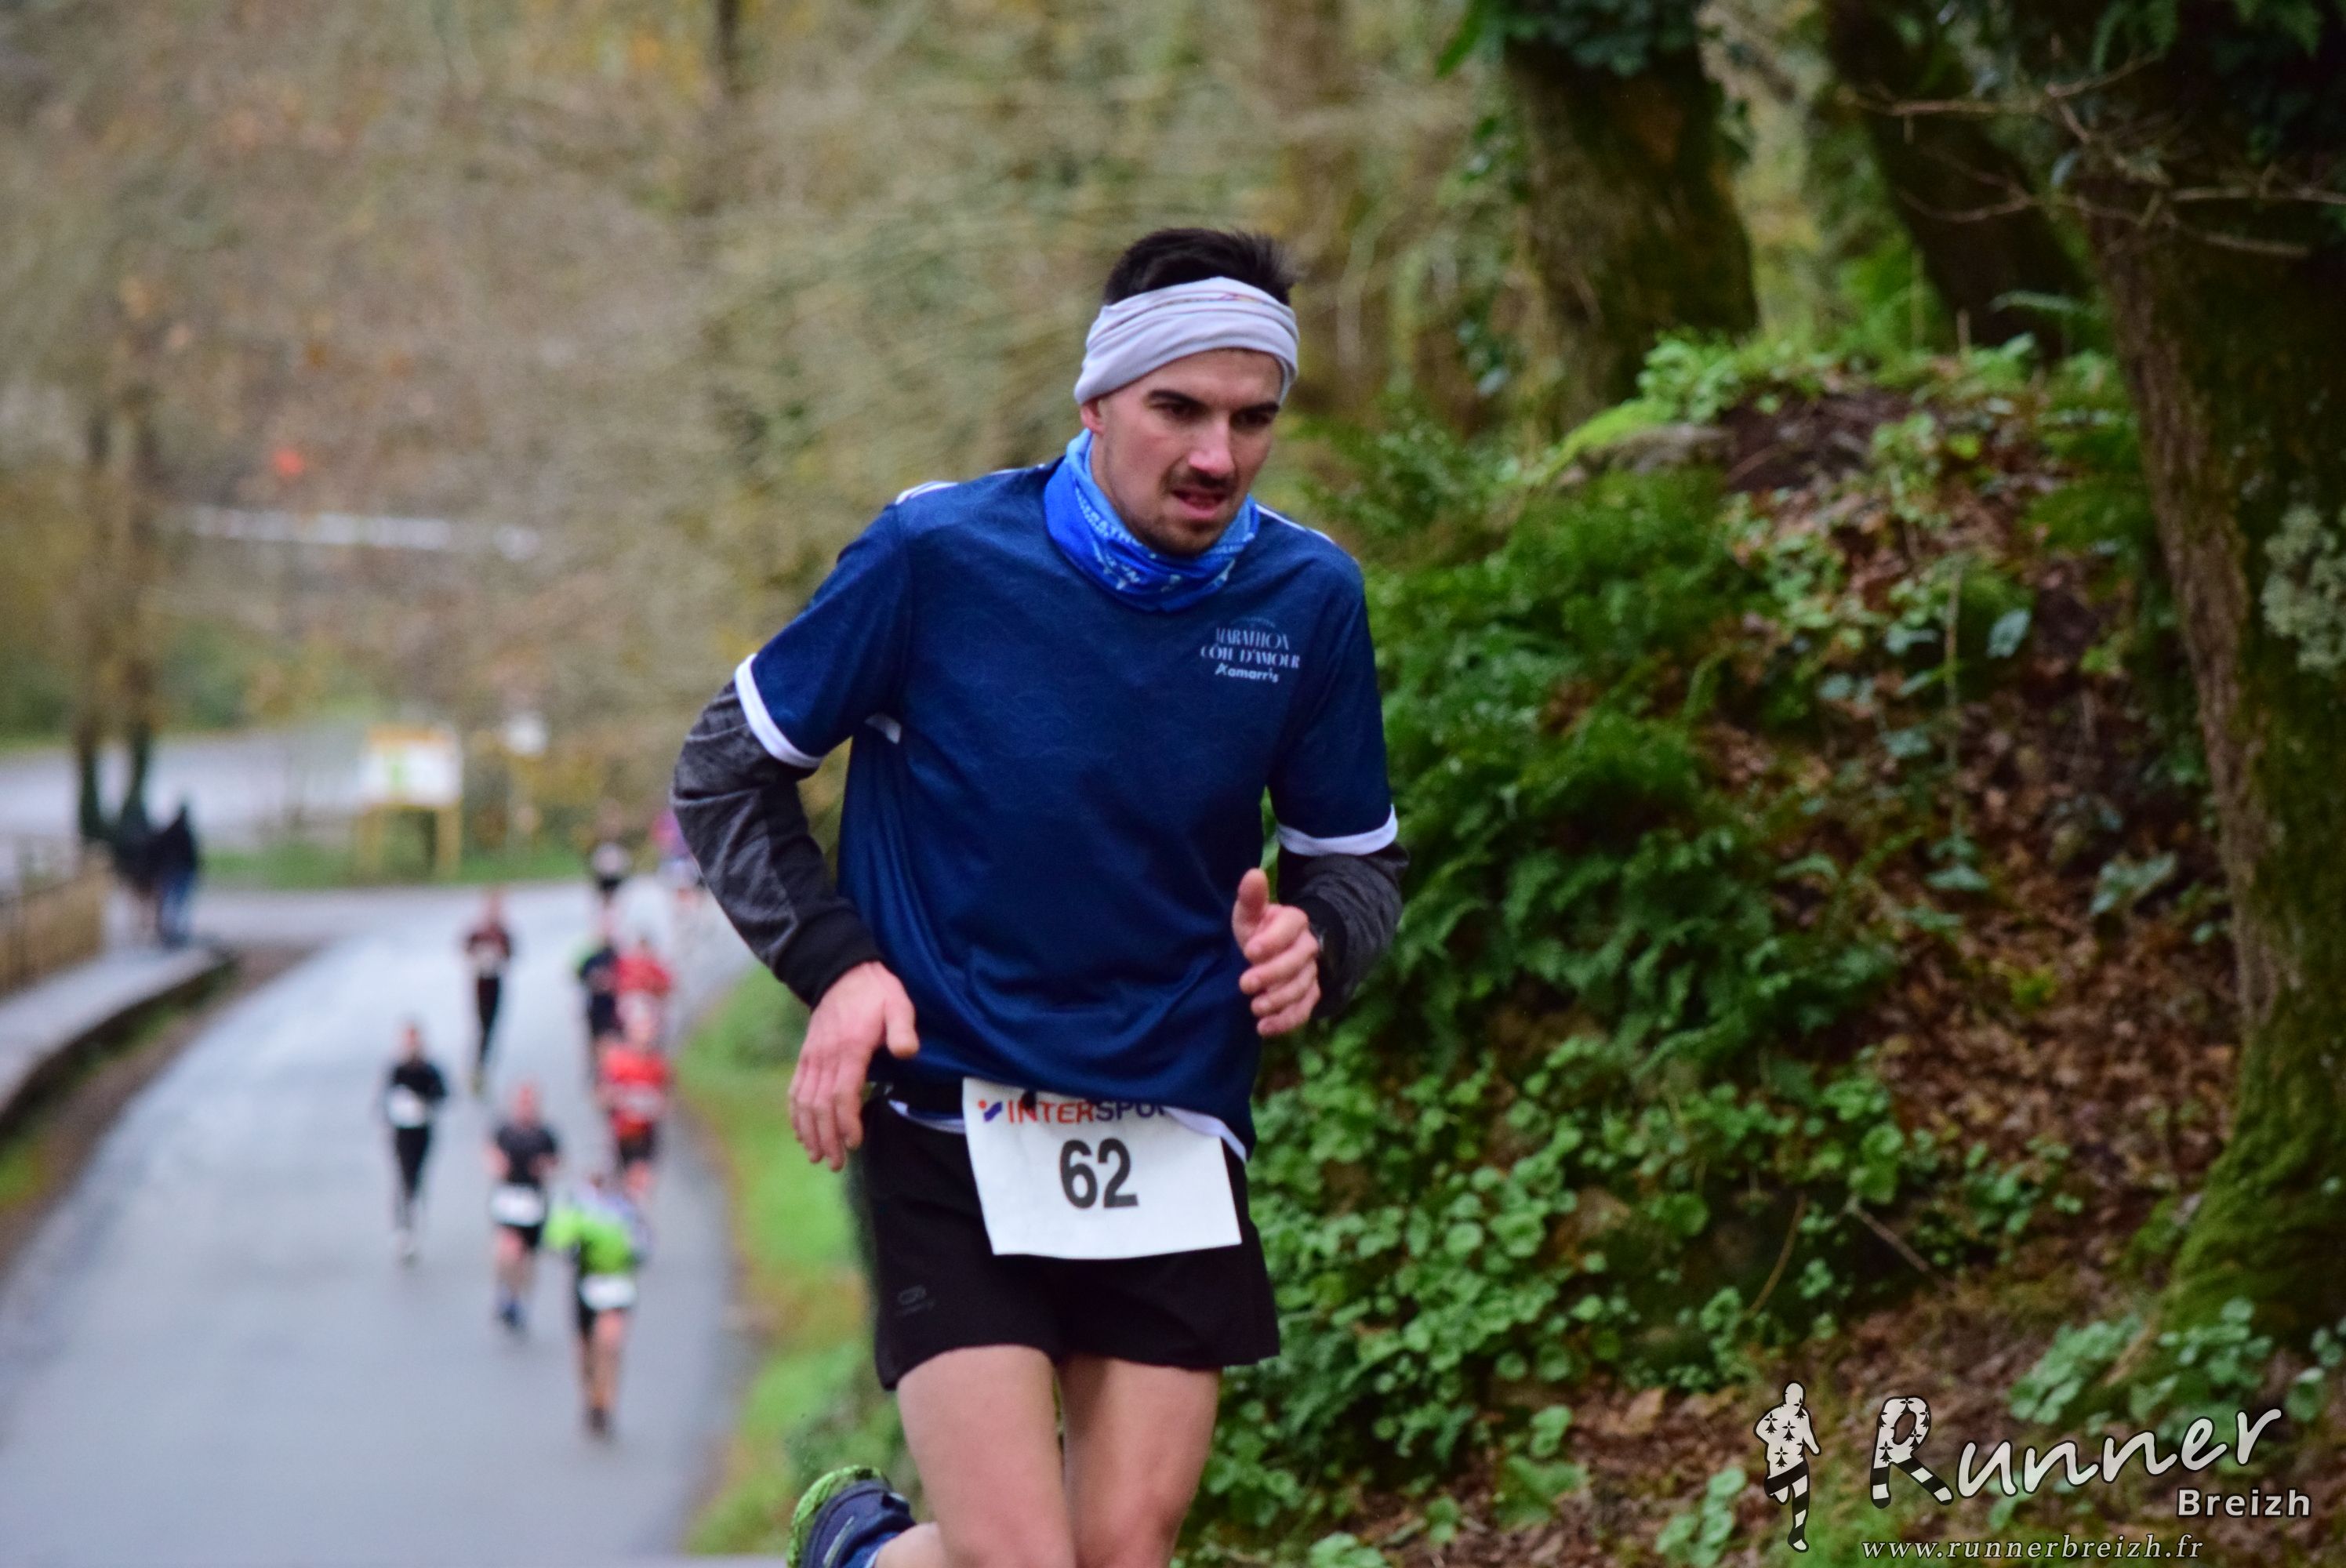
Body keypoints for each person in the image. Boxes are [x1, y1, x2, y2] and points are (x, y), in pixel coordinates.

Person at [671, 228, 1406, 1568]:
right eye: (1178, 409)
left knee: (1121, 1551)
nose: (1217, 454)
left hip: (1169, 1116)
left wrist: (1321, 941)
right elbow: (726, 771)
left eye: (1252, 419)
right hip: (951, 1107)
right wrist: (841, 967)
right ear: (1097, 402)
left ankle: (860, 1558)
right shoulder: (936, 556)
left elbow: (1353, 863)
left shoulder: (1306, 599)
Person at [543, 1170, 650, 1437]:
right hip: (587, 1285)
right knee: (586, 1349)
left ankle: (605, 1404)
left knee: (609, 1344)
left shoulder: (627, 1208)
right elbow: (558, 1240)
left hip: (617, 1285)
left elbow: (644, 1246)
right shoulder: (577, 1207)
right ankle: (591, 1398)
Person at [487, 1080, 561, 1332]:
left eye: (530, 1103)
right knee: (507, 1248)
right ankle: (506, 1293)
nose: (525, 1108)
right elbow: (490, 1153)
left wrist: (545, 1167)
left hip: (533, 1200)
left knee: (527, 1257)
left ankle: (519, 1299)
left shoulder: (545, 1134)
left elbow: (557, 1162)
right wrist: (497, 1164)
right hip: (509, 1197)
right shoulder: (505, 1131)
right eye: (522, 1102)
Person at [380, 1021, 451, 1263]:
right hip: (402, 1132)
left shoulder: (429, 1070)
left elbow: (443, 1094)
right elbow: (384, 1100)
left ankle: (414, 1222)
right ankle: (402, 1229)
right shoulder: (396, 1070)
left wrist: (424, 1102)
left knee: (417, 1178)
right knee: (403, 1177)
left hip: (422, 1131)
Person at [596, 1014, 670, 1182]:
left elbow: (665, 1100)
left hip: (646, 1136)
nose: (646, 1038)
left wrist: (652, 1106)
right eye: (641, 1032)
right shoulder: (618, 1061)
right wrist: (621, 1099)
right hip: (620, 1134)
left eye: (649, 1032)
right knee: (618, 1182)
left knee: (641, 1182)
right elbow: (602, 1097)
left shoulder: (659, 1065)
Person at [462, 889, 518, 1094]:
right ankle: (478, 1067)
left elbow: (511, 954)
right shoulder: (478, 931)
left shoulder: (503, 933)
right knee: (483, 1026)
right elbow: (466, 949)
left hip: (496, 982)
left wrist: (500, 953)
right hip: (481, 982)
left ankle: (483, 1066)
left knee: (492, 1026)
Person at [150, 802, 200, 947]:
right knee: (179, 904)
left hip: (171, 870)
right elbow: (191, 854)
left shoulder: (170, 830)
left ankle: (169, 933)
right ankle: (175, 933)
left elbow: (158, 848)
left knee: (170, 903)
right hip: (181, 871)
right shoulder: (184, 831)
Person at [612, 932, 675, 1047]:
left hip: (638, 1002)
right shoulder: (635, 962)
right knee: (643, 1030)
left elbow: (667, 984)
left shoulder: (643, 962)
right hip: (638, 1002)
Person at [575, 920, 622, 1062]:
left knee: (612, 1038)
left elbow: (622, 975)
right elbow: (579, 976)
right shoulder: (590, 957)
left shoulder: (615, 955)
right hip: (596, 1006)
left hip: (611, 1006)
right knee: (595, 1039)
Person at [587, 836, 630, 906]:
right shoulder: (602, 849)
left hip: (615, 876)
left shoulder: (617, 849)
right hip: (603, 877)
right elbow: (596, 862)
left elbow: (624, 862)